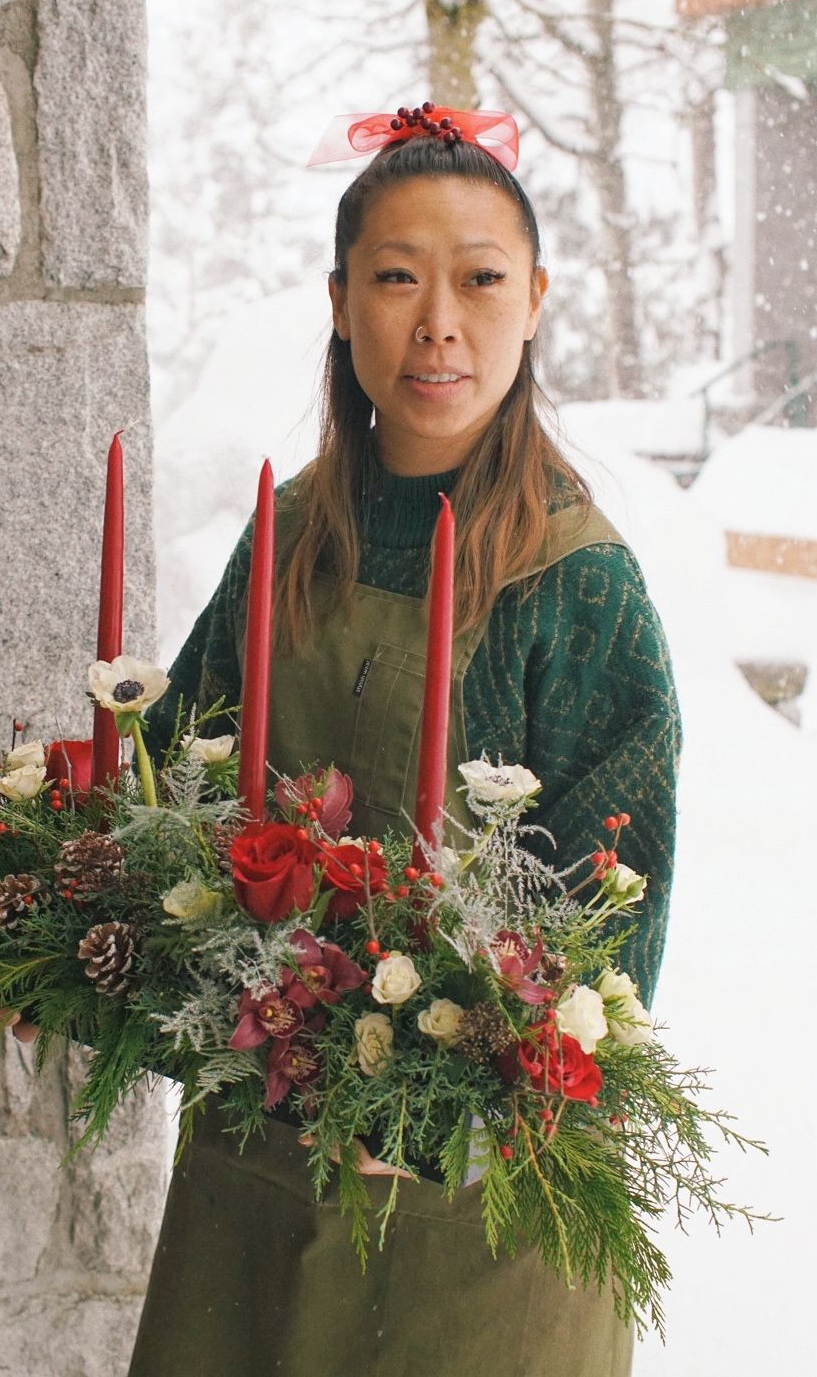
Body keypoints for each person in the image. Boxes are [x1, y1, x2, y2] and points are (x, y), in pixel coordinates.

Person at [128, 112, 680, 1377]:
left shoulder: (580, 587)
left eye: (482, 278)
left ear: (534, 300)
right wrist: (71, 932)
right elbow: (174, 782)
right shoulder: (289, 534)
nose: (441, 321)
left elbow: (614, 931)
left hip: (477, 1216)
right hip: (263, 1171)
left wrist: (451, 1093)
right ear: (339, 300)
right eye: (396, 276)